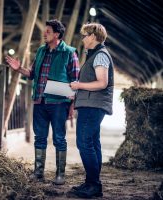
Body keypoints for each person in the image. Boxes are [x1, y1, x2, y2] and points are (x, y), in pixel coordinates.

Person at [5, 19, 79, 185]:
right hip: (39, 101)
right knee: (40, 137)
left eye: (48, 31)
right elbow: (31, 74)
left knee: (59, 138)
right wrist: (19, 69)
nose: (44, 34)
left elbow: (75, 81)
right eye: (45, 31)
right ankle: (38, 172)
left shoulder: (69, 53)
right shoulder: (40, 51)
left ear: (57, 34)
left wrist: (72, 106)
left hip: (59, 103)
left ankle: (60, 174)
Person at [69, 23, 114, 198]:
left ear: (93, 36)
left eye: (85, 35)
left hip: (93, 106)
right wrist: (77, 92)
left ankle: (94, 185)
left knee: (84, 143)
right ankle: (91, 183)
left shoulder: (100, 56)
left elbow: (102, 83)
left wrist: (79, 85)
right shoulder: (94, 55)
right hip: (91, 104)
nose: (83, 39)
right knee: (93, 144)